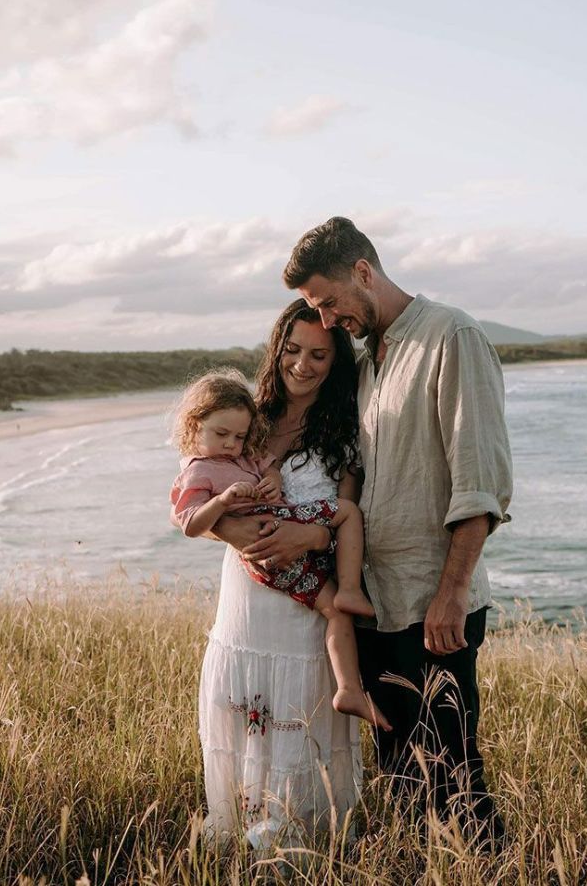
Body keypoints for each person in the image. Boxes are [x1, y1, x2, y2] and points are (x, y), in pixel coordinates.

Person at [282, 216, 513, 846]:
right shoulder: (364, 363)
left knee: (455, 775)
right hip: (376, 604)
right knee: (403, 776)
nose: (326, 319)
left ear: (364, 272)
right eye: (314, 309)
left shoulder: (451, 336)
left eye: (328, 302)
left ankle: (487, 867)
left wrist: (452, 593)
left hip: (430, 603)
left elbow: (480, 478)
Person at [190, 300, 368, 847]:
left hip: (305, 605)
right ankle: (240, 840)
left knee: (298, 724)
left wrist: (312, 536)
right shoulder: (250, 415)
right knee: (247, 722)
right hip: (247, 598)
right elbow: (198, 489)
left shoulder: (347, 428)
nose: (303, 364)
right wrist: (245, 539)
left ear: (336, 361)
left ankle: (298, 849)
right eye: (292, 350)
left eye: (319, 354)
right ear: (277, 349)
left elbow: (348, 510)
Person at [170, 368, 388, 729]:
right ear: (194, 427)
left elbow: (269, 468)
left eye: (238, 437)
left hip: (291, 524)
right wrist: (224, 505)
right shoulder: (197, 469)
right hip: (265, 554)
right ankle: (349, 683)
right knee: (333, 605)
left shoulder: (245, 452)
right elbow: (188, 522)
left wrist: (271, 482)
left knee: (347, 519)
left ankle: (349, 640)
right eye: (221, 435)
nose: (230, 443)